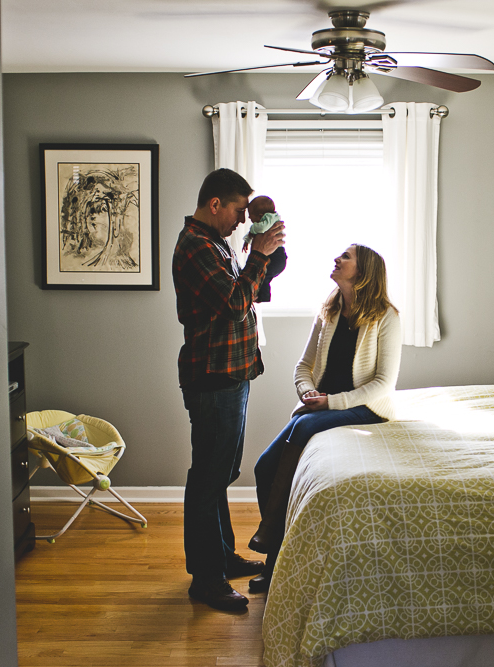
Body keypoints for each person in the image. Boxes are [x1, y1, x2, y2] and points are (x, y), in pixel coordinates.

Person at [246, 244, 402, 593]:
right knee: (262, 468)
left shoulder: (386, 316)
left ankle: (272, 561)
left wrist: (331, 402)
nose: (337, 259)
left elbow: (383, 384)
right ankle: (277, 548)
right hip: (323, 404)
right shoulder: (329, 311)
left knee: (301, 425)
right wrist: (307, 394)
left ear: (363, 272)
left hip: (364, 409)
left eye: (346, 257)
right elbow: (303, 368)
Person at [172, 168, 285, 611]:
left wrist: (268, 250)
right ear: (215, 204)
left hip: (229, 375)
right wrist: (256, 253)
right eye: (238, 210)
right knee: (207, 477)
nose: (241, 219)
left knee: (218, 472)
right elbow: (237, 304)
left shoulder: (216, 244)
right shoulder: (196, 246)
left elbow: (249, 292)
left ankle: (220, 556)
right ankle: (206, 579)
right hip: (213, 378)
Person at [241, 195, 288, 303]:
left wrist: (252, 230)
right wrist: (247, 241)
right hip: (275, 255)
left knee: (264, 275)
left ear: (260, 215)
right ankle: (260, 294)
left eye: (250, 216)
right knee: (263, 275)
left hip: (277, 256)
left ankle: (263, 297)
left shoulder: (269, 219)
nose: (249, 219)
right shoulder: (268, 220)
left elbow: (260, 228)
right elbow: (253, 233)